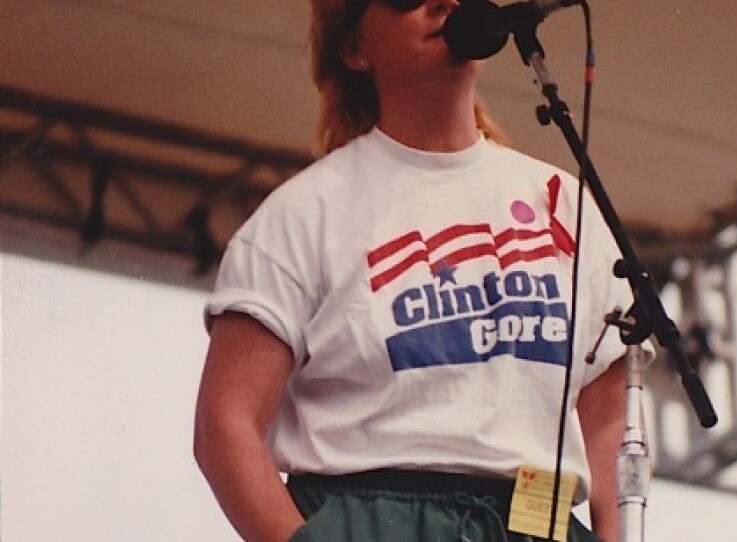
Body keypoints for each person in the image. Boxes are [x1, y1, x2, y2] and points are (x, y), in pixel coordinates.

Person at [194, 1, 645, 541]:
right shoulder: (304, 213)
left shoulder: (563, 203)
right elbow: (226, 426)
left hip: (537, 518)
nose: (445, 2)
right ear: (355, 48)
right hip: (374, 516)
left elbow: (612, 418)